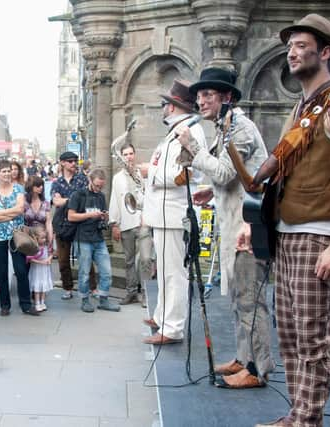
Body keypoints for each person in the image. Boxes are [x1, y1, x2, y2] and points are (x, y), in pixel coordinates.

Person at [249, 14, 330, 427]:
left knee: (314, 339)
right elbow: (279, 169)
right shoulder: (301, 109)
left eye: (302, 45)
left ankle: (307, 421)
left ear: (325, 51)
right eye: (290, 46)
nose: (292, 51)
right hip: (286, 235)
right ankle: (298, 415)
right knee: (291, 336)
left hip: (319, 237)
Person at [177, 68, 273, 388]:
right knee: (237, 299)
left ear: (226, 97)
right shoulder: (226, 128)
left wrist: (194, 148)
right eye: (199, 95)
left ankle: (258, 369)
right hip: (234, 225)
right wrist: (212, 192)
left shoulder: (241, 129)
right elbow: (228, 180)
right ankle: (244, 357)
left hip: (249, 227)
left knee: (250, 299)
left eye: (208, 95)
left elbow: (224, 173)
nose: (200, 100)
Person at [141, 79, 207, 344]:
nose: (163, 108)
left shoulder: (191, 131)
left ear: (174, 106)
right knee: (165, 271)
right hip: (163, 213)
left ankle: (173, 327)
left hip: (174, 213)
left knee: (174, 273)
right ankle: (162, 317)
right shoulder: (177, 130)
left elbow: (191, 172)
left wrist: (152, 173)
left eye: (165, 103)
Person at [0, 159, 38, 316]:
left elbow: (20, 209)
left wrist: (0, 213)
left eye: (9, 171)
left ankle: (26, 304)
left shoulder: (18, 189)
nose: (7, 174)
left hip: (17, 235)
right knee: (2, 270)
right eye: (4, 171)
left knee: (20, 269)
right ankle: (4, 305)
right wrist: (10, 213)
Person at [67, 168, 120, 313]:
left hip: (98, 237)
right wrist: (89, 215)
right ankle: (85, 300)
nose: (98, 188)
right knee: (84, 272)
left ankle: (103, 299)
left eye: (101, 186)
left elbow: (103, 215)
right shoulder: (78, 195)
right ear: (90, 180)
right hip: (83, 238)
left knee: (107, 271)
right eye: (96, 185)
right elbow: (71, 216)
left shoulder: (101, 196)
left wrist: (104, 216)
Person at [109, 142, 153, 306]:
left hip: (143, 222)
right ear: (122, 157)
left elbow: (150, 196)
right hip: (126, 223)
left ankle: (146, 294)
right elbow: (115, 200)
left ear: (134, 154)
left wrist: (148, 216)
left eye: (130, 153)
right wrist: (114, 224)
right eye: (125, 154)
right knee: (128, 261)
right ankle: (131, 292)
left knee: (146, 259)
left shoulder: (143, 173)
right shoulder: (117, 178)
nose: (128, 157)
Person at [51, 151, 90, 299]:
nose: (74, 163)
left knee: (86, 257)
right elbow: (56, 202)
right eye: (70, 161)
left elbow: (84, 201)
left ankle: (91, 288)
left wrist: (65, 200)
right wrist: (73, 200)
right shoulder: (57, 182)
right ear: (62, 163)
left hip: (80, 223)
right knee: (63, 259)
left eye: (75, 161)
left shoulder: (82, 180)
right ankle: (67, 288)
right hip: (63, 224)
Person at [26, 226, 54, 312]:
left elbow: (51, 253)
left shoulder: (46, 246)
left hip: (45, 270)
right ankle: (37, 303)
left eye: (45, 237)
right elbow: (30, 259)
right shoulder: (34, 248)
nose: (44, 240)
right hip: (37, 270)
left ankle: (42, 302)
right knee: (37, 287)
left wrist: (49, 259)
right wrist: (42, 262)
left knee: (44, 287)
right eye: (42, 238)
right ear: (35, 237)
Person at [24, 176, 53, 249]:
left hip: (42, 239)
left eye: (42, 185)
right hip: (27, 239)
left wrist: (50, 237)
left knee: (43, 259)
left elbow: (48, 222)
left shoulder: (45, 203)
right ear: (30, 186)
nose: (41, 187)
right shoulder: (24, 201)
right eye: (38, 185)